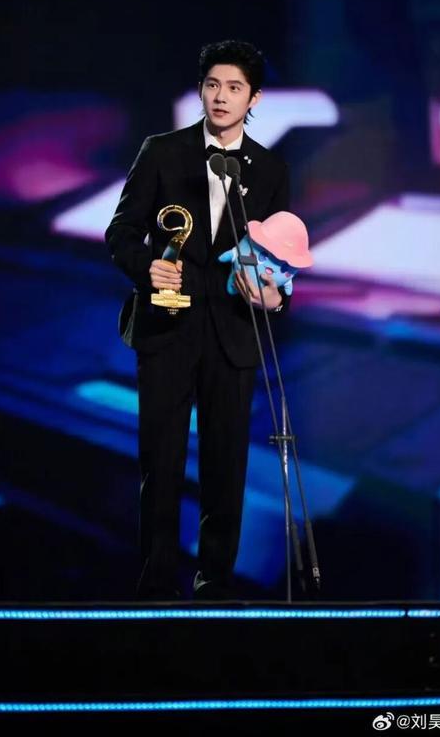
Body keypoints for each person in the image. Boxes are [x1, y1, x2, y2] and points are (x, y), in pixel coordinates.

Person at [105, 40, 291, 600]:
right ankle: (157, 585)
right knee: (161, 462)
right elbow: (120, 232)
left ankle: (215, 585)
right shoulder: (162, 152)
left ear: (253, 98)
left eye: (234, 88)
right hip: (167, 329)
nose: (221, 97)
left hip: (233, 334)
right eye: (213, 85)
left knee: (226, 463)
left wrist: (275, 298)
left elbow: (281, 257)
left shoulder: (271, 169)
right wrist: (148, 268)